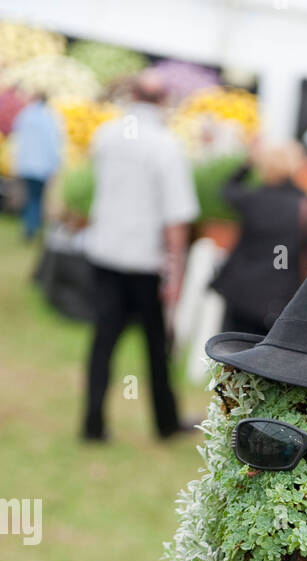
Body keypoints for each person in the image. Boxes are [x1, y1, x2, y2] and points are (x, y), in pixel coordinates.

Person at [82, 71, 199, 442]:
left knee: (103, 342)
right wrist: (176, 274)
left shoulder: (106, 134)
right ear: (164, 99)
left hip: (106, 252)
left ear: (133, 94)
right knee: (156, 350)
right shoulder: (166, 145)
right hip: (145, 263)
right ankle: (164, 422)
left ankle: (92, 424)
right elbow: (176, 217)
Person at [211, 142, 307, 336]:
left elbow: (226, 190)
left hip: (241, 295)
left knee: (229, 356)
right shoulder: (305, 208)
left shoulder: (255, 200)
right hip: (279, 301)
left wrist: (246, 165)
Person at [11, 91, 62, 239]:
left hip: (26, 164)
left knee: (31, 196)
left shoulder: (25, 115)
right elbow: (55, 143)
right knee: (36, 198)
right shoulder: (51, 117)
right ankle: (32, 226)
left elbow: (17, 139)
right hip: (43, 166)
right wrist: (56, 164)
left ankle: (30, 225)